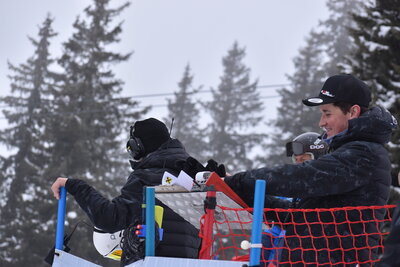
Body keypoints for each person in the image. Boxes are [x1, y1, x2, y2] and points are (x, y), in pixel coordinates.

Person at [223, 74, 397, 265]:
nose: (321, 122)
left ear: (352, 112)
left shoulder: (363, 154)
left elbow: (300, 177)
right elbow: (300, 218)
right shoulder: (350, 151)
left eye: (327, 113)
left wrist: (240, 180)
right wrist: (243, 192)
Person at [51, 118, 201, 265]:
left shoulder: (146, 177)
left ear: (137, 148)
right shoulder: (193, 178)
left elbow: (109, 218)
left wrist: (75, 186)